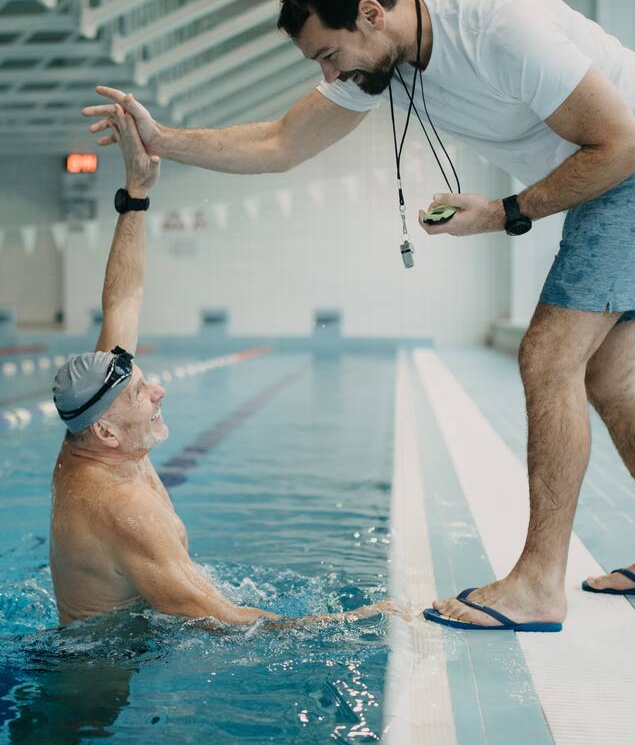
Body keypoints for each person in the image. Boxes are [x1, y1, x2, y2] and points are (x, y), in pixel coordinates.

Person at [82, 0, 635, 632]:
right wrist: (162, 139)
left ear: (370, 13)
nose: (330, 75)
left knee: (548, 357)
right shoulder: (383, 60)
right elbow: (279, 143)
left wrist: (502, 211)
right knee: (609, 376)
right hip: (627, 168)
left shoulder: (500, 26)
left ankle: (538, 583)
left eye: (329, 55)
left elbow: (624, 147)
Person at [49, 98, 401, 628]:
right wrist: (357, 622)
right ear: (106, 431)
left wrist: (137, 193)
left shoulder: (93, 431)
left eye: (145, 382)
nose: (158, 391)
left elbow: (123, 299)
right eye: (141, 393)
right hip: (110, 664)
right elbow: (228, 622)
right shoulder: (122, 509)